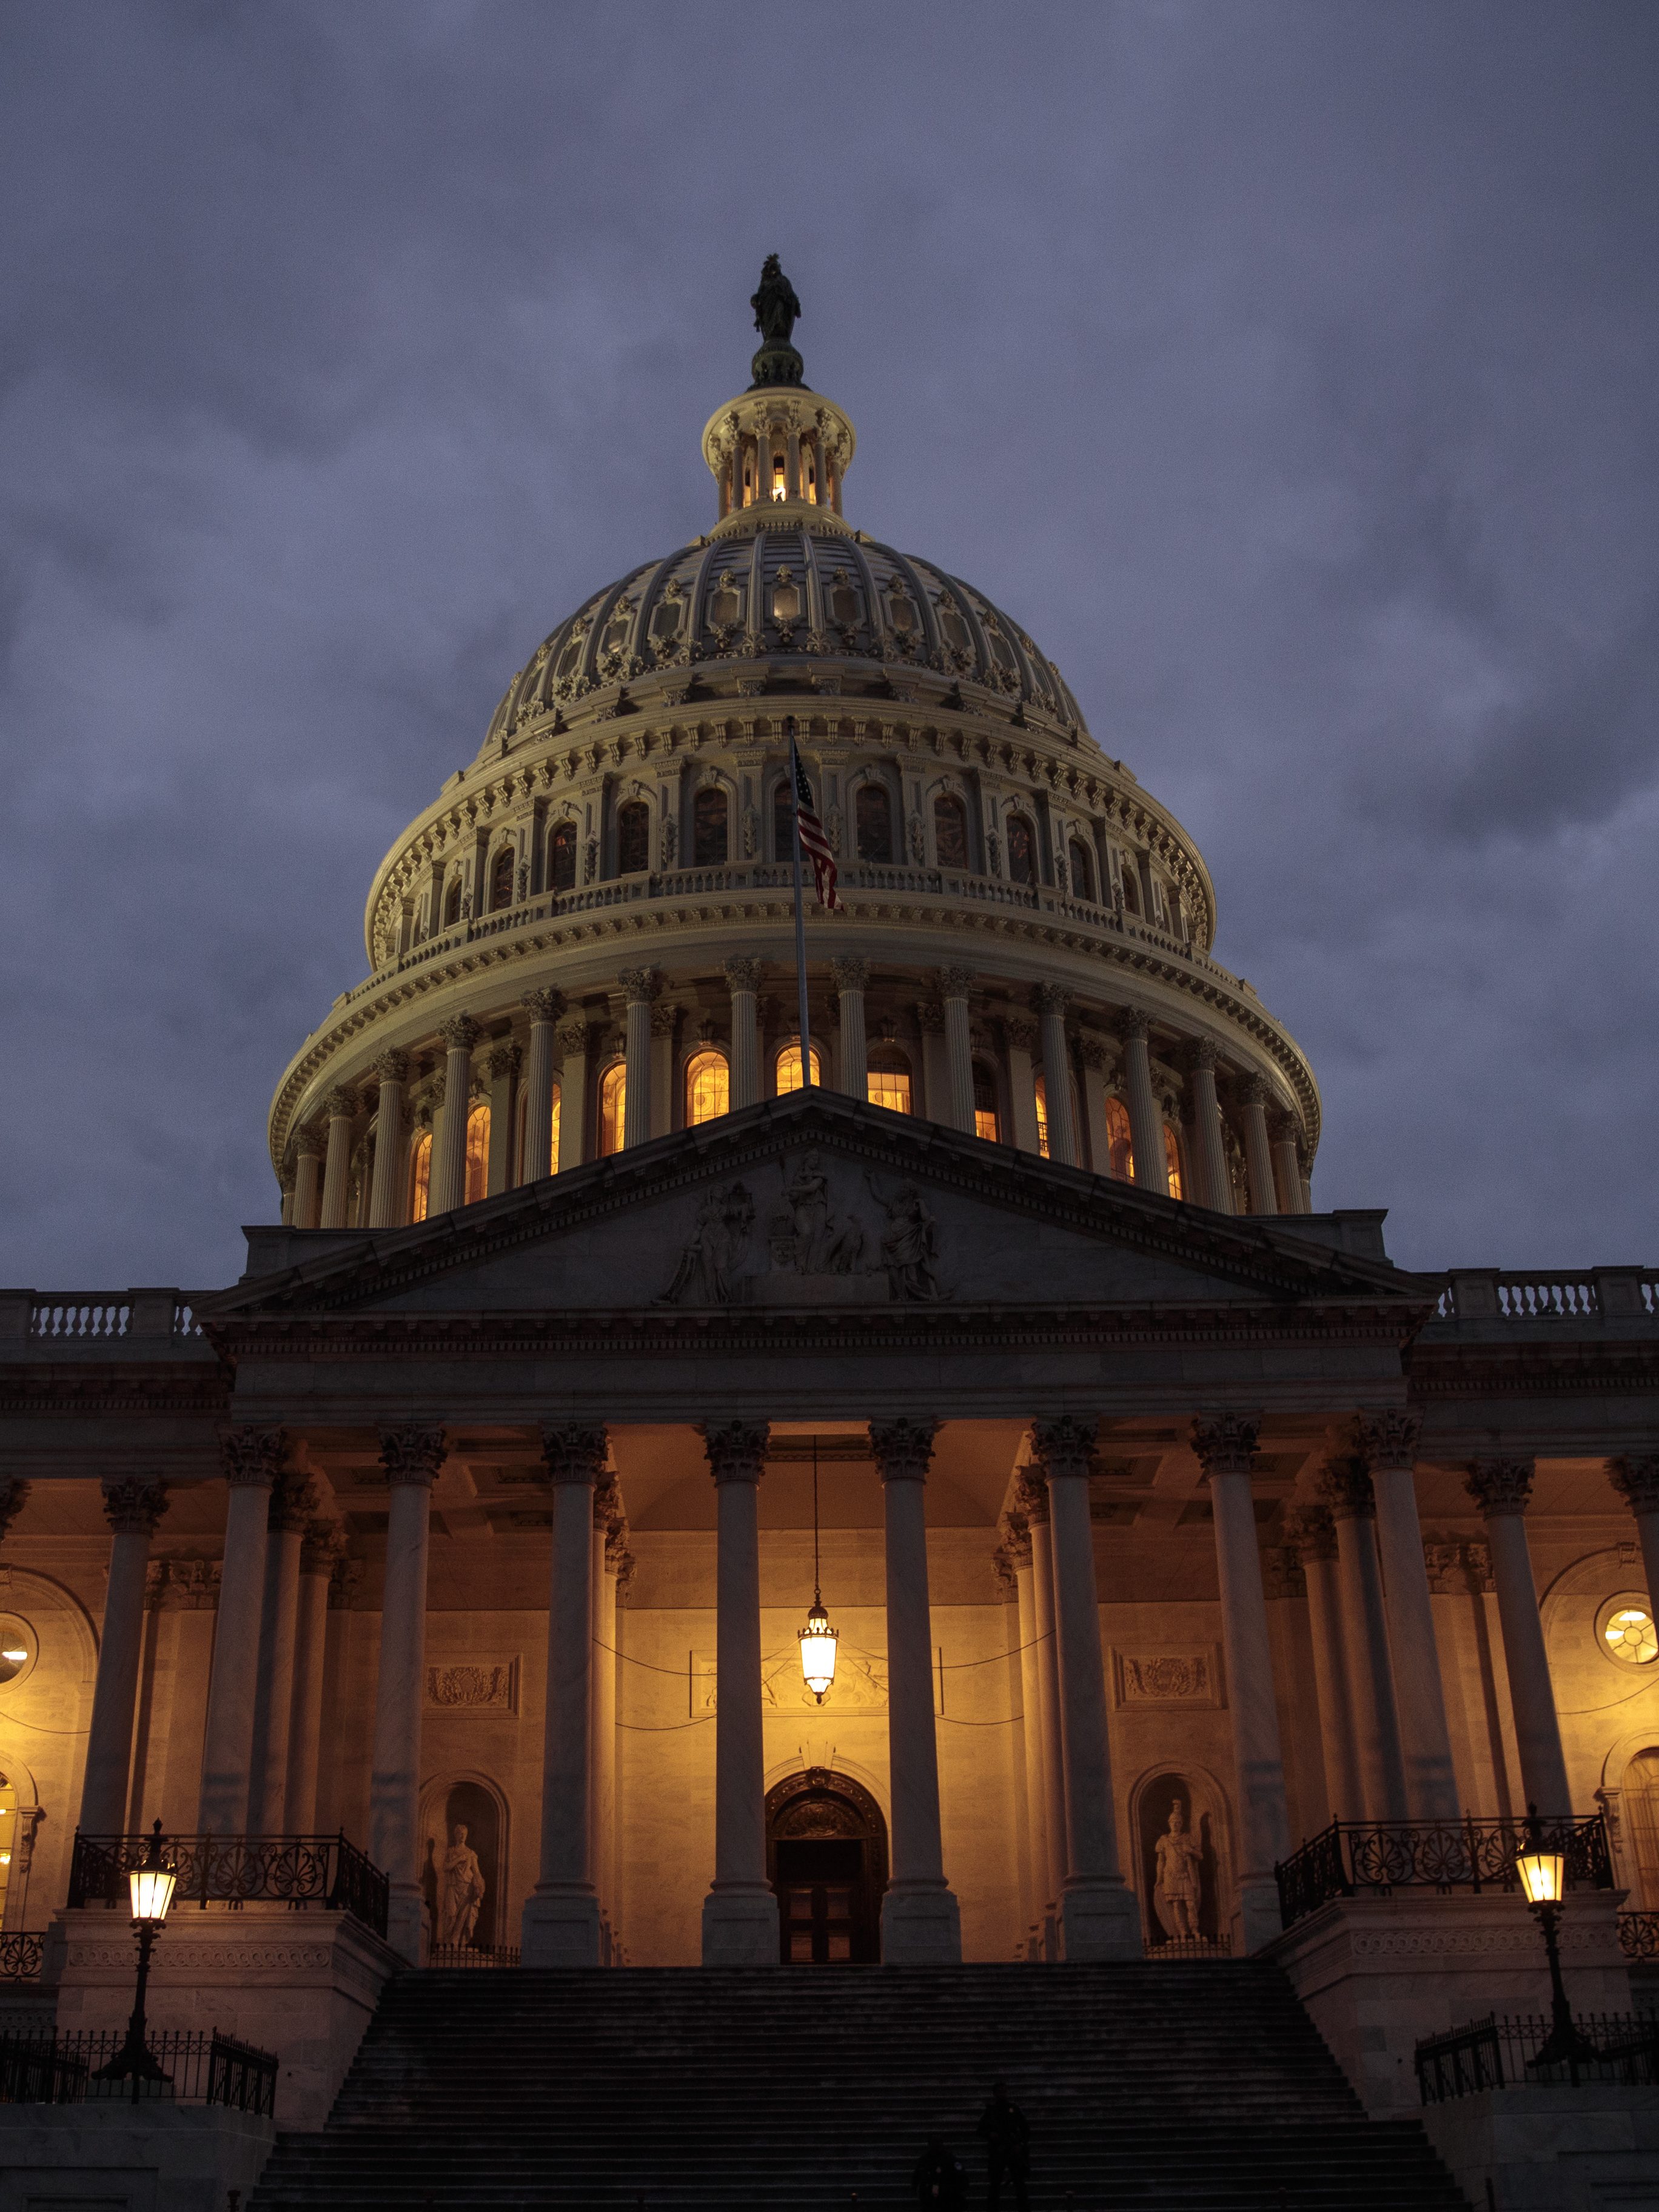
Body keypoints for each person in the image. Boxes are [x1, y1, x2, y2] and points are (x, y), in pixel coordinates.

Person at [976, 2081, 1030, 2212]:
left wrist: (1020, 2145)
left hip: (1012, 2149)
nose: (1003, 2094)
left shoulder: (1013, 2109)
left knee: (1019, 2183)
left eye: (1005, 2091)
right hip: (998, 2151)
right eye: (1000, 2092)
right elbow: (980, 2130)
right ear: (995, 2094)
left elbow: (1025, 2129)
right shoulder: (991, 2111)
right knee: (995, 2184)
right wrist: (991, 2135)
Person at [912, 2134, 968, 2209]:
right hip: (932, 2196)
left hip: (947, 2195)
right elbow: (917, 2177)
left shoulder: (949, 2159)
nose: (936, 2146)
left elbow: (962, 2177)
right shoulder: (925, 2160)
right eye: (934, 2143)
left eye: (938, 2143)